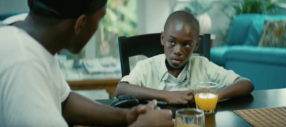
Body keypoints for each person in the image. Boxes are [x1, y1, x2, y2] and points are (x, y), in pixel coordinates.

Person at [0, 0, 173, 127]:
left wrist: (126, 117)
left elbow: (64, 101)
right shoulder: (22, 68)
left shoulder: (32, 31)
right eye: (100, 19)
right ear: (80, 24)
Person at [116, 11, 254, 105]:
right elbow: (121, 90)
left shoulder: (203, 65)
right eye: (172, 42)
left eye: (186, 45)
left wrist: (217, 94)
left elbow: (246, 84)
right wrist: (168, 95)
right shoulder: (146, 66)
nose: (178, 51)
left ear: (196, 45)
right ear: (163, 39)